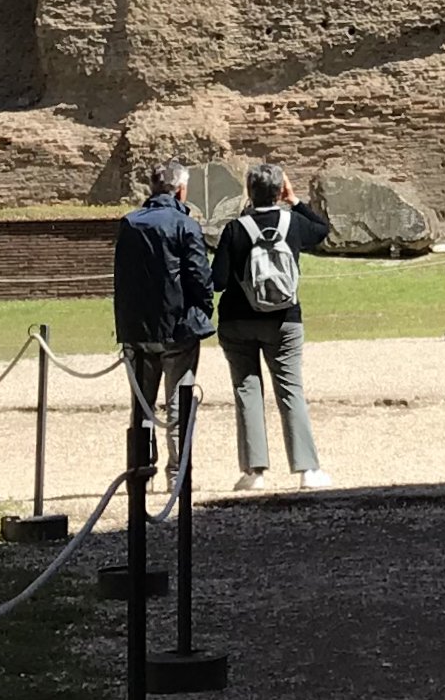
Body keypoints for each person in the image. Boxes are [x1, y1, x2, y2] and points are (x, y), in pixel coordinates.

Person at [210, 162, 334, 492]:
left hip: (237, 321)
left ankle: (255, 473)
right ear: (279, 191)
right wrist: (295, 201)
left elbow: (219, 281)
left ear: (249, 192)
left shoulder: (235, 230)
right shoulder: (293, 223)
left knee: (247, 392)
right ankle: (307, 470)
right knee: (291, 391)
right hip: (284, 321)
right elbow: (322, 230)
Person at [110, 162, 215, 450]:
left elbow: (121, 278)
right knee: (178, 406)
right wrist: (202, 313)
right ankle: (177, 477)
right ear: (181, 190)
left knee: (142, 406)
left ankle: (140, 471)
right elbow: (200, 277)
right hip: (177, 327)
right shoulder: (186, 225)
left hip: (137, 328)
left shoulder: (130, 223)